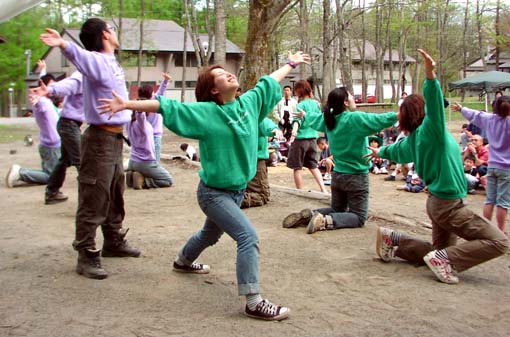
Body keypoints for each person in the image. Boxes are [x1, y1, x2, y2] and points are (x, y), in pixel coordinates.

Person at [97, 51, 311, 321]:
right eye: (220, 75)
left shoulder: (249, 103)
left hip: (236, 192)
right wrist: (126, 103)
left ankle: (182, 261)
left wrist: (290, 64)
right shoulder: (207, 113)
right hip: (213, 194)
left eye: (227, 71)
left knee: (210, 235)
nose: (228, 73)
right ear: (213, 89)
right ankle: (253, 301)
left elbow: (269, 81)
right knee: (248, 237)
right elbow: (166, 107)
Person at [367, 49, 508, 284]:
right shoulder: (432, 130)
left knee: (437, 251)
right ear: (423, 112)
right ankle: (446, 261)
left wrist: (379, 151)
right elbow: (433, 104)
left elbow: (393, 150)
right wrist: (430, 76)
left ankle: (395, 242)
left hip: (437, 202)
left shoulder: (412, 139)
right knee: (499, 242)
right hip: (447, 204)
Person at [39, 19, 141, 280]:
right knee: (94, 197)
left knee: (115, 193)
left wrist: (51, 88)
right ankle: (86, 254)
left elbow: (74, 81)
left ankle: (113, 241)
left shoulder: (109, 63)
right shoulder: (97, 59)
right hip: (99, 141)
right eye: (114, 30)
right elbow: (81, 58)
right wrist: (64, 45)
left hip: (115, 140)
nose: (116, 34)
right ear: (106, 34)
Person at [282, 87, 398, 234]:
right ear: (345, 102)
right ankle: (325, 221)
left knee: (337, 209)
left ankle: (311, 214)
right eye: (350, 96)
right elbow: (380, 119)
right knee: (359, 216)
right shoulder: (354, 118)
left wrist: (304, 115)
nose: (353, 99)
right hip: (356, 176)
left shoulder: (328, 119)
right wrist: (401, 115)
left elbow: (314, 118)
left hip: (337, 175)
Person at [452, 96, 510, 235]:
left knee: (489, 200)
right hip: (507, 168)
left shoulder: (489, 119)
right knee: (503, 203)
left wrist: (461, 109)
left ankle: (486, 231)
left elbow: (475, 115)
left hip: (492, 165)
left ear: (494, 107)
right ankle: (500, 232)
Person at [31, 65, 84, 205]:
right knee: (82, 163)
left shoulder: (92, 76)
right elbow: (66, 85)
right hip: (69, 125)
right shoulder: (81, 75)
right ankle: (88, 203)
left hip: (71, 125)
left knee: (64, 161)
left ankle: (52, 192)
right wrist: (49, 90)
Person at [6, 75, 60, 188]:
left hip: (50, 144)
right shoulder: (43, 102)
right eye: (51, 85)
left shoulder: (47, 101)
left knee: (52, 172)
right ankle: (20, 173)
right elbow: (41, 107)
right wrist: (36, 100)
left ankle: (20, 172)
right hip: (52, 146)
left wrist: (42, 70)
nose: (53, 88)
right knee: (50, 177)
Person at [125, 84, 173, 190]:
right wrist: (140, 108)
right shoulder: (143, 124)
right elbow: (140, 115)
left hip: (132, 161)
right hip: (145, 162)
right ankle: (144, 181)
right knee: (168, 180)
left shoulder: (129, 122)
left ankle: (132, 177)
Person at [286, 80, 327, 193]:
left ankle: (300, 190)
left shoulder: (300, 105)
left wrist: (293, 134)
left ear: (299, 91)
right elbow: (318, 119)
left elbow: (296, 121)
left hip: (300, 139)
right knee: (313, 166)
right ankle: (323, 189)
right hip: (313, 138)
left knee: (297, 167)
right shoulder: (315, 104)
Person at [241, 118, 282, 208]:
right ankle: (232, 200)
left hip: (238, 159)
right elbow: (266, 124)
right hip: (255, 160)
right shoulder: (257, 116)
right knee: (262, 195)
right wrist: (275, 130)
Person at [147, 72, 171, 164]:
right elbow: (161, 91)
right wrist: (165, 80)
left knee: (146, 158)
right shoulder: (155, 100)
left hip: (145, 134)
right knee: (155, 161)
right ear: (151, 94)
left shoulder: (141, 103)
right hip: (156, 135)